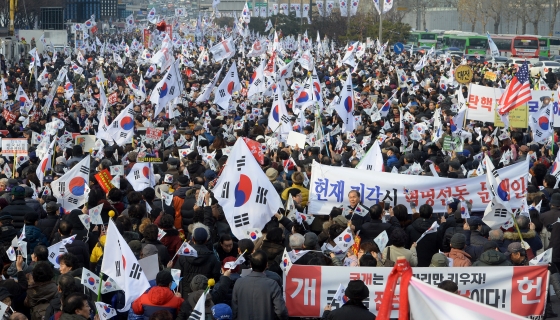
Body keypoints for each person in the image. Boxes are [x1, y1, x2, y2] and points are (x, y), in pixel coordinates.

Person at [231, 250, 288, 320]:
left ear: (251, 265)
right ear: (266, 265)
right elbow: (281, 310)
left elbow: (234, 309)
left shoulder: (239, 282)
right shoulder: (272, 284)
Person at [174, 226, 221, 297]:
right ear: (206, 240)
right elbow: (216, 277)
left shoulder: (183, 256)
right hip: (204, 294)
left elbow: (176, 275)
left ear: (193, 239)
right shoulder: (213, 258)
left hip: (186, 294)